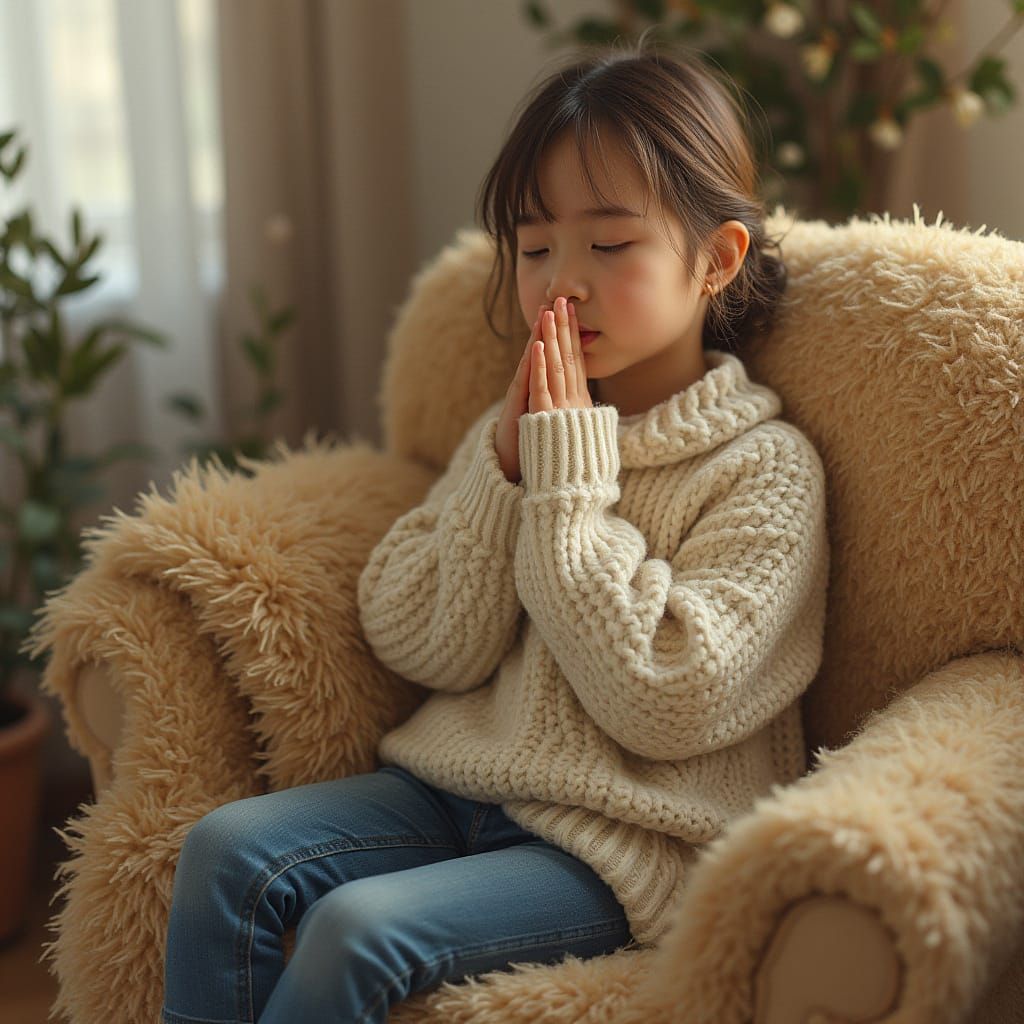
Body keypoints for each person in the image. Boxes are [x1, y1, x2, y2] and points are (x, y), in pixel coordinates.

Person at [161, 32, 829, 1024]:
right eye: (532, 247)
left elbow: (664, 698)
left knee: (358, 929)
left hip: (624, 843)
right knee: (224, 853)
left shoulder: (764, 470)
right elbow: (422, 639)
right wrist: (505, 471)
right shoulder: (512, 430)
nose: (562, 280)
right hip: (455, 789)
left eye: (608, 244)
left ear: (715, 260)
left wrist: (562, 486)